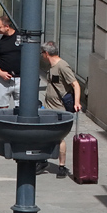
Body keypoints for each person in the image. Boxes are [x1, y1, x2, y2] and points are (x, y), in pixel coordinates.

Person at [41, 41, 82, 177]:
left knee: (59, 137)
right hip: (48, 108)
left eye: (42, 53)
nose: (41, 55)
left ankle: (62, 166)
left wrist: (76, 102)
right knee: (45, 134)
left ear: (46, 53)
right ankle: (42, 160)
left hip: (60, 109)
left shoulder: (62, 66)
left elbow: (75, 85)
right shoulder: (51, 66)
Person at [0, 14, 22, 110]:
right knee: (2, 107)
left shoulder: (20, 37)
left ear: (7, 27)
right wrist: (0, 73)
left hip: (20, 79)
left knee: (21, 107)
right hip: (3, 80)